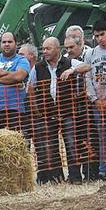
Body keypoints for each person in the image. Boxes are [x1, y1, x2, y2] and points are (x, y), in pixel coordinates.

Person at [72, 24, 106, 179]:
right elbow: (88, 77)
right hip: (97, 100)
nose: (100, 38)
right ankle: (104, 171)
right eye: (96, 36)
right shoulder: (91, 53)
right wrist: (94, 98)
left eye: (102, 34)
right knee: (103, 136)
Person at [27, 36, 73, 183]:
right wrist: (35, 107)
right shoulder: (38, 67)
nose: (45, 51)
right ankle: (56, 178)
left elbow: (86, 66)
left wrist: (72, 70)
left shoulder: (69, 62)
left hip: (67, 111)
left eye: (48, 48)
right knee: (50, 146)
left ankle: (74, 177)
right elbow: (30, 87)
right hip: (46, 113)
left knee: (71, 144)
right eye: (44, 48)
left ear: (57, 49)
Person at [56, 26, 92, 182]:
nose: (69, 50)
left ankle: (91, 173)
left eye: (72, 47)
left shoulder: (89, 53)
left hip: (87, 104)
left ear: (80, 43)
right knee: (71, 141)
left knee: (88, 140)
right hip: (69, 106)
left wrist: (72, 70)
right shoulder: (63, 59)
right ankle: (74, 175)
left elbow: (88, 66)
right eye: (67, 48)